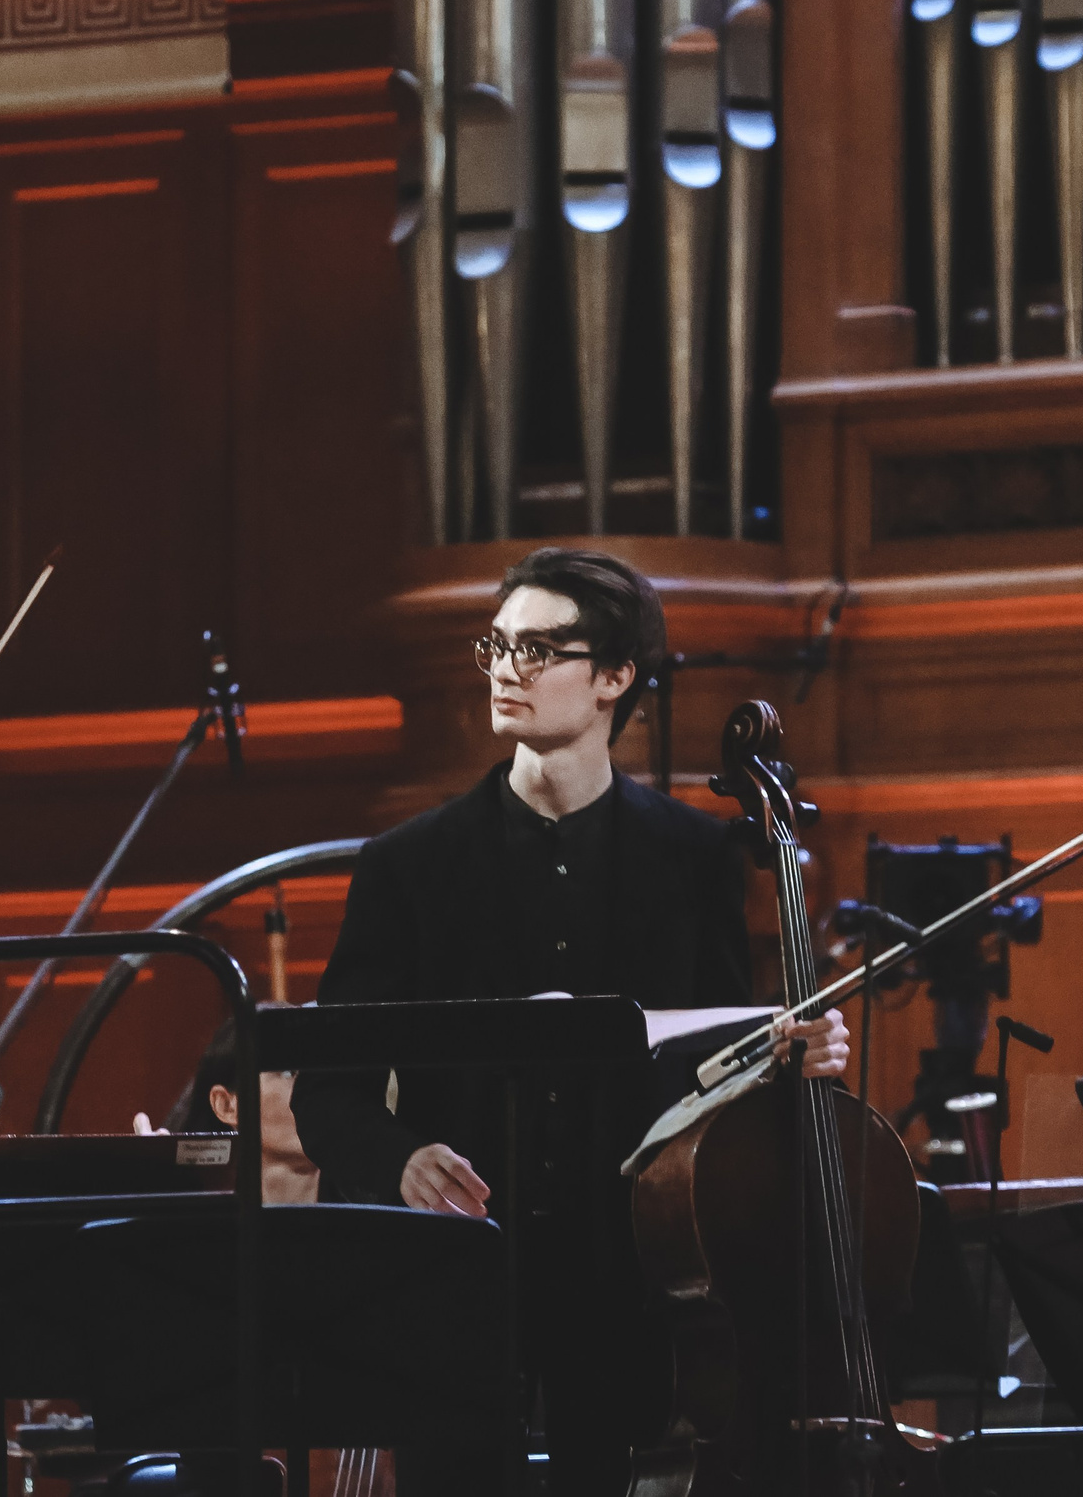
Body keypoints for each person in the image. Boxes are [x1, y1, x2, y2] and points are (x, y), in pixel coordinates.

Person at [291, 547, 848, 1497]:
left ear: (615, 677)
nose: (509, 668)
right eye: (499, 645)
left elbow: (713, 1064)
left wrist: (787, 1053)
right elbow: (328, 1092)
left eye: (541, 648)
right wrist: (400, 1158)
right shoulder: (407, 866)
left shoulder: (696, 857)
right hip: (459, 1276)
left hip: (633, 1276)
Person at [153, 1005, 321, 1205]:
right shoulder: (195, 1223)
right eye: (288, 1072)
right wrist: (156, 1186)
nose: (315, 1088)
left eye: (321, 1072)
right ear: (226, 1106)